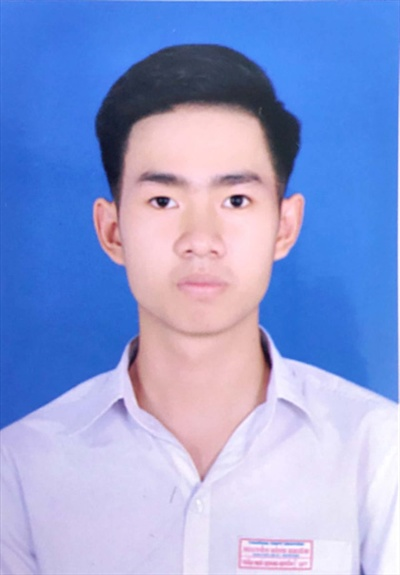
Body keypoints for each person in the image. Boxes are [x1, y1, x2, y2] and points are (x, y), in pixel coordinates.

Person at [0, 44, 397, 575]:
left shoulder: (378, 451)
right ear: (112, 231)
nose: (201, 239)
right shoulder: (20, 469)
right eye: (164, 201)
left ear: (285, 226)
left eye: (236, 200)